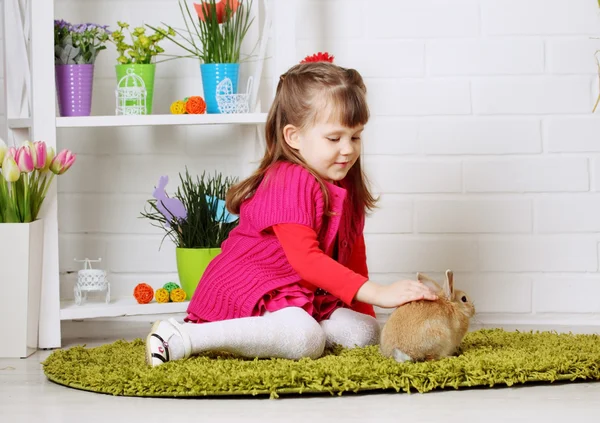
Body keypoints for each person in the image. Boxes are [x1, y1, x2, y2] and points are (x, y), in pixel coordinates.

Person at [145, 61, 438, 367]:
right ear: (294, 137)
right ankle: (183, 335)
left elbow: (353, 257)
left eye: (356, 136)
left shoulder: (344, 183)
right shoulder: (288, 179)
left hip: (296, 292)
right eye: (334, 138)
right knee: (304, 338)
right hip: (250, 289)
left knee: (362, 333)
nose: (349, 149)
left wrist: (367, 314)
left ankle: (293, 331)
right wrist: (380, 293)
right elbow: (307, 260)